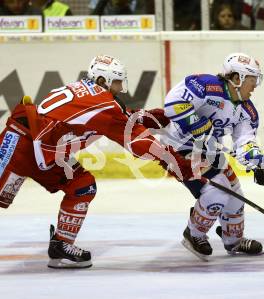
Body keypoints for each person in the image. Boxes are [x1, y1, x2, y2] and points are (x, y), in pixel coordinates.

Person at [0, 55, 194, 269]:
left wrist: (149, 116)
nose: (121, 88)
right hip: (21, 145)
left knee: (82, 185)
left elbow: (117, 117)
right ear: (103, 81)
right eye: (118, 81)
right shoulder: (103, 103)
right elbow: (137, 140)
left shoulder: (85, 91)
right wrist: (173, 161)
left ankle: (61, 245)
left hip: (40, 148)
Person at [162, 53, 264, 260]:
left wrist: (260, 162)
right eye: (252, 79)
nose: (255, 85)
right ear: (236, 78)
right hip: (177, 149)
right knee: (218, 191)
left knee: (235, 192)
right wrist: (195, 124)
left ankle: (233, 240)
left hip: (209, 151)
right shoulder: (204, 85)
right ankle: (194, 234)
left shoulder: (247, 110)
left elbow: (244, 142)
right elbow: (173, 103)